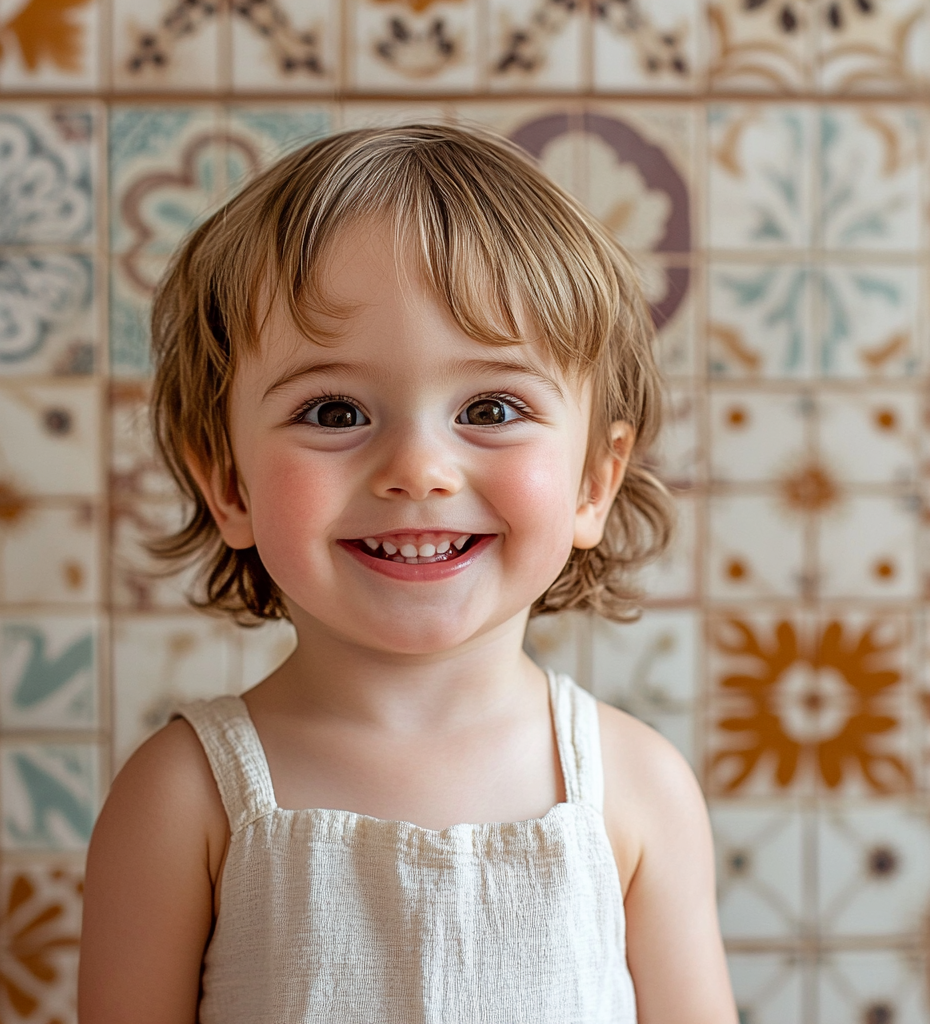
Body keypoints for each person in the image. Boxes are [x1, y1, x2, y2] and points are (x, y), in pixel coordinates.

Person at [78, 123, 737, 1024]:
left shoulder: (636, 788)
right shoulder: (183, 799)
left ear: (593, 481)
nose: (418, 468)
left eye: (492, 407)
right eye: (336, 408)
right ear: (227, 481)